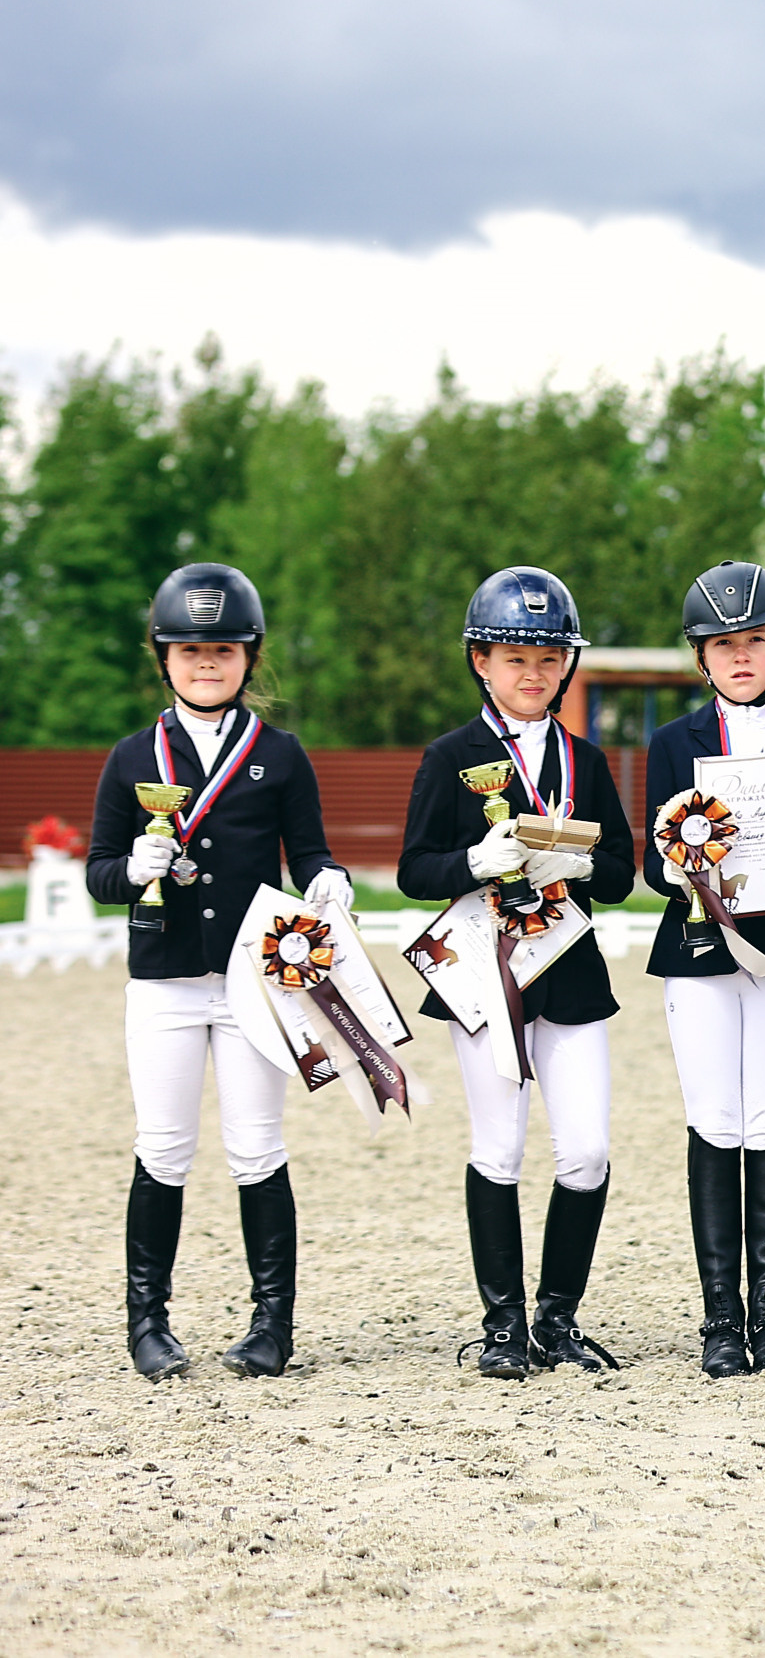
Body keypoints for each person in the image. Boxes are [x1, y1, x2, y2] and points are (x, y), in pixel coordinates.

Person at [86, 563, 352, 1381]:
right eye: (190, 650)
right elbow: (98, 873)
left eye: (225, 650)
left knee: (256, 1146)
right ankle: (148, 1321)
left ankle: (272, 1324)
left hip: (253, 984)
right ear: (163, 656)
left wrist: (330, 880)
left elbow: (310, 850)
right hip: (164, 982)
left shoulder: (280, 754)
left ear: (249, 656)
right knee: (163, 1146)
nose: (208, 662)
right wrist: (132, 868)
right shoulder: (132, 756)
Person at [398, 566, 636, 1379]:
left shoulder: (585, 758)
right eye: (514, 658)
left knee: (588, 1151)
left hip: (569, 971)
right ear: (481, 660)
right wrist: (475, 860)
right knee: (498, 1147)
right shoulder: (450, 756)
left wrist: (578, 863)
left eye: (547, 658)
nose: (532, 673)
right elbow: (413, 868)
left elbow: (622, 873)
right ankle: (501, 1325)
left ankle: (556, 1319)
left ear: (566, 665)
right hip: (485, 972)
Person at [643, 561, 765, 1378]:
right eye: (722, 644)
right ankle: (721, 1319)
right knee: (714, 1119)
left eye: (755, 640)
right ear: (701, 655)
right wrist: (676, 859)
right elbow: (653, 866)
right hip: (699, 948)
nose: (740, 656)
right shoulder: (672, 743)